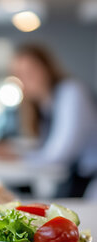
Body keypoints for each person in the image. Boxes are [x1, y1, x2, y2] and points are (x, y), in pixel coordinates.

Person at [11, 44, 97, 197]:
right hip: (74, 179)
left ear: (47, 68)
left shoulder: (71, 93)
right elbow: (43, 148)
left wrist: (18, 157)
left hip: (89, 181)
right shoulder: (44, 105)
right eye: (20, 74)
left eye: (30, 71)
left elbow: (60, 154)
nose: (25, 79)